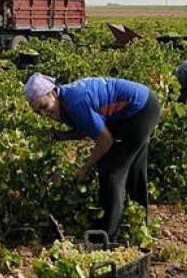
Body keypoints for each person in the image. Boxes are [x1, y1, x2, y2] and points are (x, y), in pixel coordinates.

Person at [24, 73, 160, 242]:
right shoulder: (65, 101)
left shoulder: (76, 103)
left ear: (52, 92)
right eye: (38, 112)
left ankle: (107, 237)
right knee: (132, 166)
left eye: (44, 106)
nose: (44, 114)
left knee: (111, 171)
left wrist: (85, 168)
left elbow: (105, 140)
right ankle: (138, 225)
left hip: (140, 109)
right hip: (141, 105)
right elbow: (86, 127)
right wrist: (62, 136)